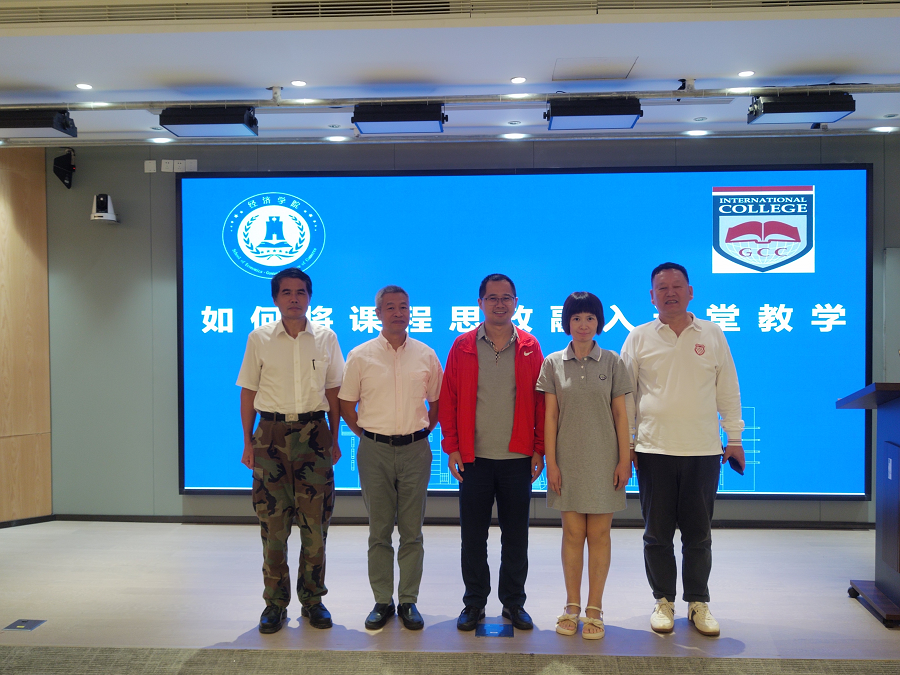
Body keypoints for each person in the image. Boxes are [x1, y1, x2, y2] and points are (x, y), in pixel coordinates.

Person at [620, 262, 744, 637]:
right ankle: (663, 601)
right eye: (662, 288)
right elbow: (626, 397)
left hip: (702, 450)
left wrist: (734, 438)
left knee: (698, 535)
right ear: (652, 296)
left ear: (691, 291)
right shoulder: (638, 337)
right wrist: (628, 444)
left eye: (677, 286)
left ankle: (698, 603)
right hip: (653, 449)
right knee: (657, 534)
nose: (670, 293)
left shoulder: (712, 333)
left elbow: (728, 389)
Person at [237, 267, 344, 634]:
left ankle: (313, 600)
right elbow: (248, 391)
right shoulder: (259, 338)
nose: (294, 298)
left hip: (315, 434)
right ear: (275, 299)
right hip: (270, 435)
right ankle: (275, 603)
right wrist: (247, 441)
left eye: (301, 292)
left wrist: (335, 437)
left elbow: (334, 391)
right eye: (286, 292)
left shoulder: (326, 338)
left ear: (309, 297)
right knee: (273, 525)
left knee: (316, 526)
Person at [439, 273, 545, 632]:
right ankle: (474, 603)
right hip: (474, 459)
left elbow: (541, 402)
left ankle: (514, 603)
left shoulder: (530, 346)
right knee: (473, 537)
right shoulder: (463, 345)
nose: (500, 303)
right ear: (480, 303)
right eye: (492, 297)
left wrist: (539, 449)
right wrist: (452, 447)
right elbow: (449, 399)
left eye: (506, 297)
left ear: (516, 303)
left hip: (518, 458)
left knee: (516, 537)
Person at [338, 285, 443, 631]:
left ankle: (408, 601)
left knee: (412, 532)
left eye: (404, 307)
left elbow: (437, 403)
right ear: (378, 313)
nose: (398, 313)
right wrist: (368, 435)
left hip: (416, 450)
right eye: (391, 307)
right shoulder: (360, 355)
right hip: (374, 451)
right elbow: (346, 404)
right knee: (379, 531)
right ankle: (382, 600)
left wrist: (420, 433)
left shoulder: (426, 354)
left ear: (410, 311)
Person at [536, 292, 633, 640]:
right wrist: (552, 463)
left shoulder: (612, 362)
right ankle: (572, 606)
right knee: (573, 534)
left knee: (600, 535)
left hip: (606, 461)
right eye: (576, 318)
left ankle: (595, 609)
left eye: (590, 318)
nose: (583, 324)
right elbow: (550, 417)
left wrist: (625, 459)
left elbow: (621, 414)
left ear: (599, 322)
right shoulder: (552, 363)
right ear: (567, 322)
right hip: (568, 462)